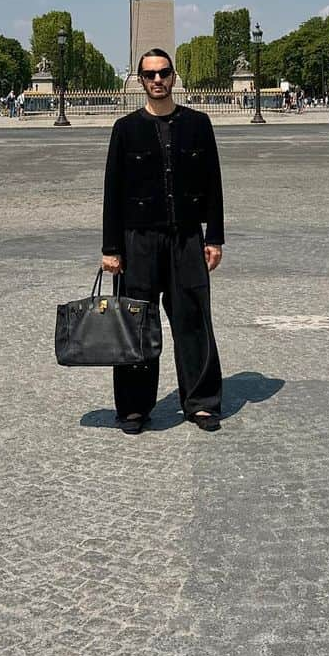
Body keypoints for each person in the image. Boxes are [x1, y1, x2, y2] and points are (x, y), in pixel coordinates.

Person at [101, 47, 225, 434]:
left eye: (164, 73)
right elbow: (113, 191)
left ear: (173, 77)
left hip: (187, 236)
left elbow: (213, 184)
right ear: (140, 81)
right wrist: (110, 248)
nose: (157, 80)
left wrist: (215, 236)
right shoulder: (125, 128)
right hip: (137, 239)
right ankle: (135, 406)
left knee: (193, 320)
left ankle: (201, 401)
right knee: (136, 323)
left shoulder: (199, 124)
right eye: (150, 74)